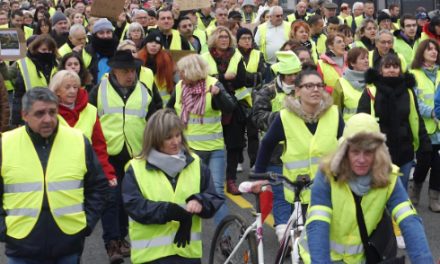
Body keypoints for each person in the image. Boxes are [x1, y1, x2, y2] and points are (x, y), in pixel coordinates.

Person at [299, 113, 434, 263]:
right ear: (344, 152)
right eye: (355, 152)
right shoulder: (327, 176)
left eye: (368, 152)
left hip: (359, 258)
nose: (361, 159)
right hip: (320, 256)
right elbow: (318, 226)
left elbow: (410, 222)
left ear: (377, 152)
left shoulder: (389, 177)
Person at [0, 88, 108, 263]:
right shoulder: (5, 144)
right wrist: (3, 230)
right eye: (40, 113)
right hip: (21, 247)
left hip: (68, 244)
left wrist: (86, 224)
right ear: (24, 115)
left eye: (52, 112)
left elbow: (98, 186)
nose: (48, 119)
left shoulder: (78, 141)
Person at [122, 108, 224, 263]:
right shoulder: (135, 168)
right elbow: (135, 207)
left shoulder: (196, 163)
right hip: (151, 257)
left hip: (187, 253)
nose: (176, 142)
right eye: (169, 137)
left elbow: (213, 197)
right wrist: (171, 211)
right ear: (155, 139)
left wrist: (200, 201)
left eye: (178, 135)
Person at [89, 50, 162, 263]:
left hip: (135, 154)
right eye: (125, 71)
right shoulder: (99, 89)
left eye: (132, 70)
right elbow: (89, 117)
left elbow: (155, 118)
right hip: (107, 154)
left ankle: (121, 237)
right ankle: (112, 242)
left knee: (126, 200)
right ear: (114, 71)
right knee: (111, 198)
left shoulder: (144, 90)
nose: (130, 75)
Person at [254, 70, 344, 240]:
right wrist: (259, 177)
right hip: (299, 191)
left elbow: (345, 146)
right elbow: (266, 145)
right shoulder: (285, 117)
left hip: (330, 188)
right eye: (309, 86)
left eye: (319, 85)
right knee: (305, 243)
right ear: (297, 91)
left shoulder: (334, 114)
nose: (316, 89)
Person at [167, 54, 235, 225]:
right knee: (186, 192)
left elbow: (230, 107)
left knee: (217, 192)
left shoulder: (213, 85)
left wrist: (218, 95)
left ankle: (224, 237)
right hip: (189, 151)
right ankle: (184, 229)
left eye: (182, 72)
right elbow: (168, 111)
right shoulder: (179, 87)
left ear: (192, 72)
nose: (179, 75)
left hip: (214, 149)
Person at [357, 54, 431, 190]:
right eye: (387, 66)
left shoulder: (408, 92)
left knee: (400, 192)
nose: (391, 69)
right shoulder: (371, 92)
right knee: (379, 193)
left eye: (395, 66)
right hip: (378, 152)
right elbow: (360, 121)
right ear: (380, 70)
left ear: (400, 70)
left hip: (405, 152)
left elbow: (416, 119)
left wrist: (425, 144)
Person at [252, 51, 304, 242]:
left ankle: (296, 234)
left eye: (295, 73)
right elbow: (257, 118)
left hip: (299, 151)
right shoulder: (267, 91)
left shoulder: (303, 89)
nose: (293, 78)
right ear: (281, 74)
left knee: (299, 197)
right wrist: (283, 118)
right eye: (289, 74)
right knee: (282, 195)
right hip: (274, 153)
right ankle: (285, 238)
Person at [49, 69, 117, 187]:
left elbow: (99, 147)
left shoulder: (90, 111)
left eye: (75, 87)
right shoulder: (48, 112)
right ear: (57, 90)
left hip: (86, 173)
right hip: (56, 174)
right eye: (67, 87)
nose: (72, 91)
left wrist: (107, 172)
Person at [202, 26, 249, 195]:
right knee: (208, 145)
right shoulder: (205, 57)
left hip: (233, 106)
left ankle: (230, 180)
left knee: (234, 145)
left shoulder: (236, 56)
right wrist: (224, 78)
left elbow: (241, 80)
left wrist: (216, 79)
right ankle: (207, 181)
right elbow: (202, 79)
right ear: (214, 39)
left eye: (227, 37)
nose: (224, 40)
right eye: (221, 37)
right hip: (210, 105)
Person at [410, 39, 440, 212]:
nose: (433, 52)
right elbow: (415, 102)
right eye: (429, 49)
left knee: (438, 165)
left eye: (435, 49)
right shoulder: (414, 74)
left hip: (439, 129)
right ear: (422, 52)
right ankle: (416, 189)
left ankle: (434, 198)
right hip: (423, 128)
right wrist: (434, 112)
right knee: (423, 163)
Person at [11, 34, 58, 126]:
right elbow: (18, 96)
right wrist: (17, 120)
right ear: (35, 49)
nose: (47, 53)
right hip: (31, 111)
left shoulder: (56, 64)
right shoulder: (23, 64)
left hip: (53, 111)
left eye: (50, 50)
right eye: (44, 50)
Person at [138, 31, 175, 106]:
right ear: (146, 44)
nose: (153, 45)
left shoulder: (167, 61)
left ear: (161, 46)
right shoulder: (138, 60)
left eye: (157, 43)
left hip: (164, 105)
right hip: (144, 103)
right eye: (150, 42)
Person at [255, 6, 290, 82]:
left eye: (281, 15)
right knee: (269, 89)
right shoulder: (261, 28)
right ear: (270, 17)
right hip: (268, 65)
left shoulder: (289, 26)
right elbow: (255, 46)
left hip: (285, 64)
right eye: (277, 16)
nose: (280, 17)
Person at [333, 47, 369, 120]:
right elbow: (335, 111)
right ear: (352, 63)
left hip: (372, 127)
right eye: (362, 58)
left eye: (367, 58)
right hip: (350, 128)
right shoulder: (341, 83)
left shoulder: (374, 81)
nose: (366, 61)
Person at [82, 18, 119, 84]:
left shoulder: (119, 51)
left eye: (108, 32)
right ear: (95, 35)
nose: (105, 36)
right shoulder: (86, 51)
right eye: (101, 33)